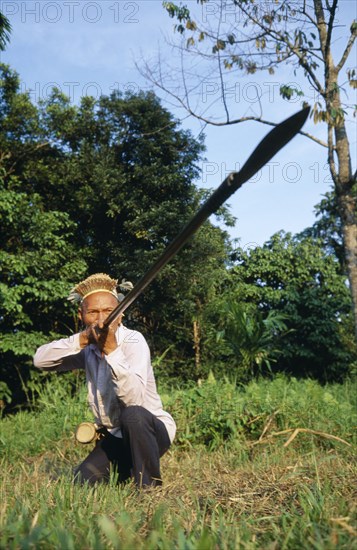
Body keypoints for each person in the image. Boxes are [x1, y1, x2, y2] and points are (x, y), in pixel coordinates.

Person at [34, 273, 176, 488]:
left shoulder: (133, 341)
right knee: (81, 481)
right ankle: (128, 470)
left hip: (150, 431)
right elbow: (41, 361)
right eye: (93, 312)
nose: (101, 319)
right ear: (81, 315)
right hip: (116, 436)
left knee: (133, 415)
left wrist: (111, 350)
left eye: (109, 311)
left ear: (121, 314)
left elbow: (134, 400)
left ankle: (149, 489)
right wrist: (82, 339)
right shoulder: (87, 348)